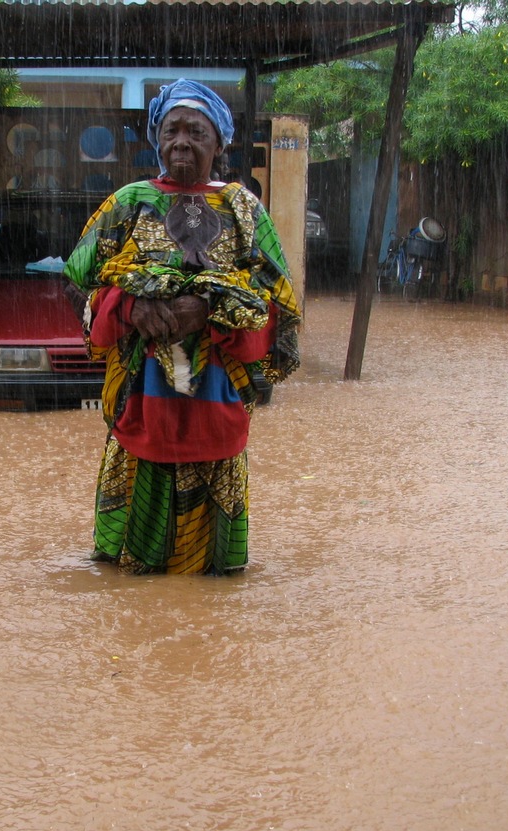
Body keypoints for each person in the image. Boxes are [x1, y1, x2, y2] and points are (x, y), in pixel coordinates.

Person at [64, 79, 301, 575]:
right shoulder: (128, 204)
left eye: (196, 131)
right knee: (128, 577)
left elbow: (278, 307)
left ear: (220, 142)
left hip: (218, 415)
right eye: (171, 130)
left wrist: (212, 312)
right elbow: (76, 285)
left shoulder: (245, 211)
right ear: (157, 139)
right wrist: (127, 308)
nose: (182, 143)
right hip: (140, 415)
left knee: (217, 582)